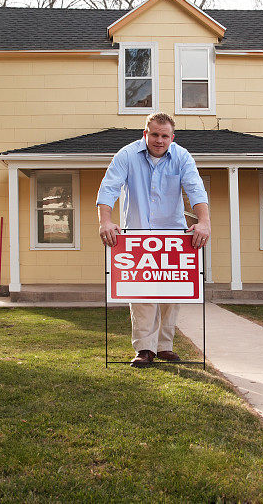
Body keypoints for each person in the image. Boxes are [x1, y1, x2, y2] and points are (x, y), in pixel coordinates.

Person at [96, 112, 210, 368]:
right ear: (145, 134)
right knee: (142, 293)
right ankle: (145, 348)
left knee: (172, 293)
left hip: (173, 236)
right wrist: (105, 221)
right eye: (155, 134)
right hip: (138, 235)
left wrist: (204, 222)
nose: (159, 140)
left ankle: (164, 346)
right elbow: (109, 188)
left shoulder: (182, 157)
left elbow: (195, 188)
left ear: (172, 137)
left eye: (165, 135)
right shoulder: (126, 155)